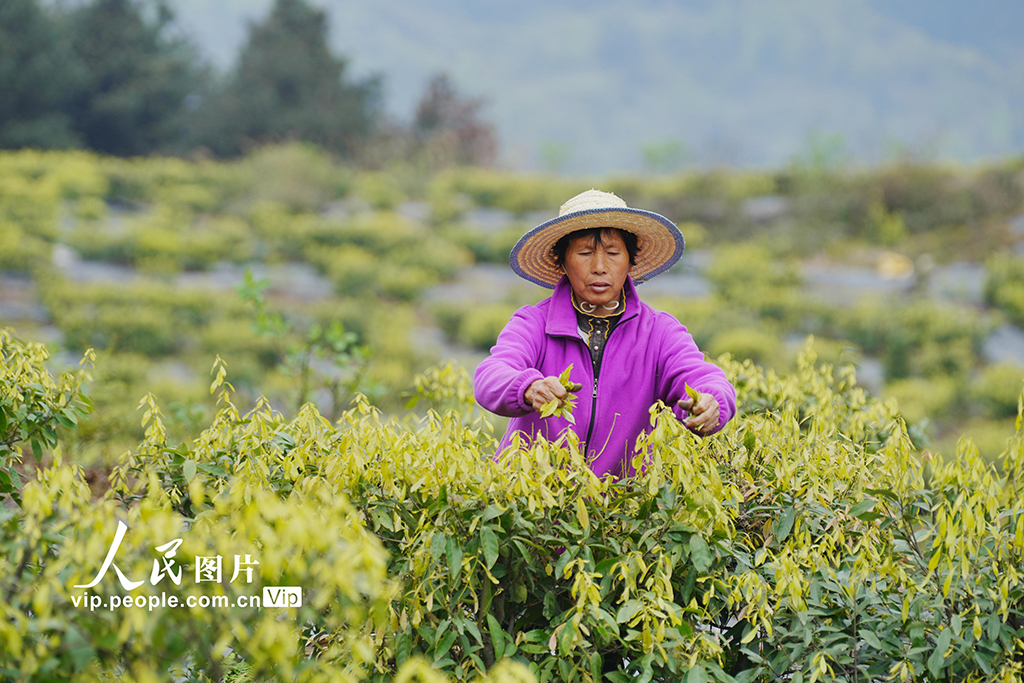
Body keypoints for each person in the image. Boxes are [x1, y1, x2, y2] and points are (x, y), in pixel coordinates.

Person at [473, 189, 736, 479]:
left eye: (613, 253)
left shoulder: (660, 333)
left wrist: (711, 402)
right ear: (562, 262)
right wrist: (529, 387)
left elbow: (703, 377)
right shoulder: (533, 323)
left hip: (620, 503)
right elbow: (491, 376)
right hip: (528, 500)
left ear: (630, 261)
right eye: (584, 253)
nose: (599, 267)